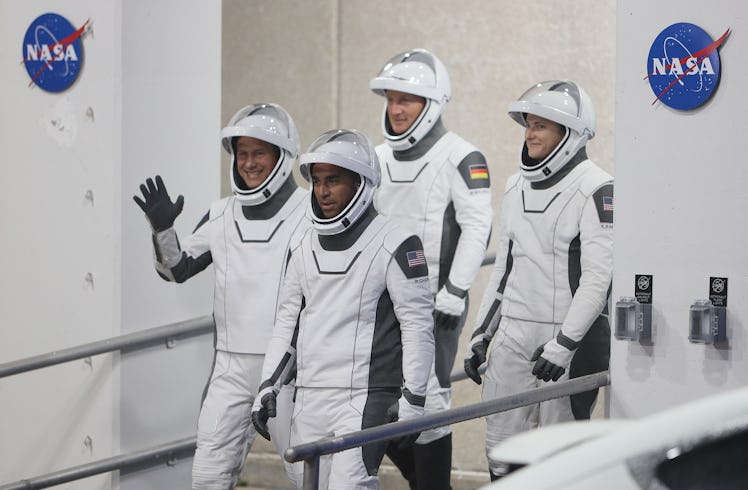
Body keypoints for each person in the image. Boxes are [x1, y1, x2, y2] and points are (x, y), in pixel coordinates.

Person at [133, 103, 308, 489]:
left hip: (293, 369)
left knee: (307, 474)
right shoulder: (221, 214)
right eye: (242, 153)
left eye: (259, 152)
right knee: (207, 477)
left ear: (282, 156)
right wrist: (162, 229)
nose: (249, 163)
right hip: (229, 368)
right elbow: (176, 269)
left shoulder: (311, 212)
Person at [251, 129, 435, 489]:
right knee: (309, 483)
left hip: (366, 396)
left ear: (361, 182)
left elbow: (417, 326)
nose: (322, 191)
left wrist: (414, 397)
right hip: (310, 393)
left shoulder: (397, 240)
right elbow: (287, 323)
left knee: (349, 485)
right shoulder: (302, 244)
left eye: (333, 180)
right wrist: (268, 386)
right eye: (317, 181)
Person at [463, 80, 613, 480]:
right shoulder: (515, 185)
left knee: (559, 456)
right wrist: (481, 334)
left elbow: (598, 280)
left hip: (566, 344)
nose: (529, 134)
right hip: (513, 336)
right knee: (502, 449)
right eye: (528, 124)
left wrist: (564, 346)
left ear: (571, 133)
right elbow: (504, 269)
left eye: (541, 126)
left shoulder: (597, 188)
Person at [368, 48, 493, 489]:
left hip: (435, 306)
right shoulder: (376, 158)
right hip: (378, 308)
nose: (397, 109)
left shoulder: (461, 155)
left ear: (432, 101)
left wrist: (456, 292)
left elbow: (479, 227)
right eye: (391, 99)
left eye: (407, 100)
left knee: (432, 400)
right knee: (379, 396)